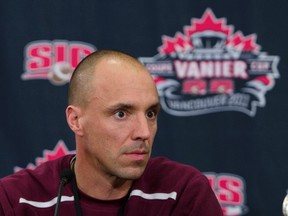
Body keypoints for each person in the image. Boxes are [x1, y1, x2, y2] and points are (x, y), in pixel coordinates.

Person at [0, 50, 223, 216]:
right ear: (76, 120)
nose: (143, 133)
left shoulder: (182, 192)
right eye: (121, 114)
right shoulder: (16, 200)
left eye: (150, 114)